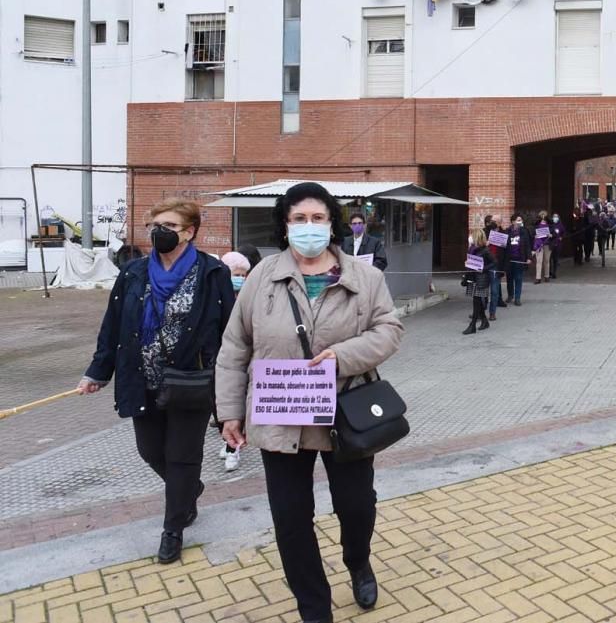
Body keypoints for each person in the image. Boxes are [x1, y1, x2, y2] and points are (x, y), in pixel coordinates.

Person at [216, 181, 404, 623]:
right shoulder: (262, 277)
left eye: (318, 218)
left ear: (332, 224)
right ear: (285, 225)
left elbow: (389, 330)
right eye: (299, 218)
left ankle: (357, 560)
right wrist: (229, 411)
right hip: (280, 413)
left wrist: (343, 356)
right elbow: (234, 346)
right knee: (291, 518)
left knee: (357, 506)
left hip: (345, 412)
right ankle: (313, 608)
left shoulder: (365, 277)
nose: (308, 227)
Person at [78, 199, 234, 565]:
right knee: (150, 451)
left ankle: (173, 529)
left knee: (182, 457)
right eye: (154, 225)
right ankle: (189, 490)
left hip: (192, 382)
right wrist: (98, 372)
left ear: (190, 231)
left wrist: (232, 384)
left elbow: (229, 329)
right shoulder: (133, 272)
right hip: (141, 379)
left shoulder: (212, 273)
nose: (158, 232)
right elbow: (113, 325)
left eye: (168, 225)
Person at [217, 250, 253, 471]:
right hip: (220, 362)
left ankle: (233, 450)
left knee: (239, 408)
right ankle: (227, 442)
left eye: (242, 274)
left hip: (243, 363)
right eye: (235, 273)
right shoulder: (216, 296)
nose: (239, 278)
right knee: (222, 408)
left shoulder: (248, 296)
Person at [463, 228, 494, 334]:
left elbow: (494, 262)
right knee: (477, 301)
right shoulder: (471, 248)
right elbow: (470, 262)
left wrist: (483, 268)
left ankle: (472, 325)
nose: (470, 237)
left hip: (481, 278)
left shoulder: (485, 250)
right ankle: (485, 321)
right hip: (472, 277)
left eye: (472, 235)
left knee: (476, 301)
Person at [505, 214, 533, 305]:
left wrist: (528, 257)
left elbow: (528, 245)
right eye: (518, 220)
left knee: (518, 278)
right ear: (513, 221)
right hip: (509, 259)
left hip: (519, 259)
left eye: (521, 220)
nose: (520, 222)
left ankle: (517, 298)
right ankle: (510, 295)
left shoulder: (524, 231)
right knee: (509, 279)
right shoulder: (507, 232)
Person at [484, 219, 507, 320]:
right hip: (485, 264)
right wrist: (485, 244)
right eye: (493, 221)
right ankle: (480, 311)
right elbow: (477, 246)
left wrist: (504, 268)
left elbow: (506, 252)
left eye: (496, 221)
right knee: (483, 290)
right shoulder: (485, 232)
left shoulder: (503, 234)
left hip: (496, 265)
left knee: (494, 290)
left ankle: (492, 312)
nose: (494, 223)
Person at [532, 211, 552, 284]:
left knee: (546, 260)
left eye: (544, 215)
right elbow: (533, 233)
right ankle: (538, 278)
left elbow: (554, 233)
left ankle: (547, 276)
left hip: (547, 244)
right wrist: (534, 236)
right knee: (539, 261)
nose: (543, 216)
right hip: (539, 244)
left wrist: (551, 235)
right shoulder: (536, 224)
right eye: (542, 215)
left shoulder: (550, 224)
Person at [548, 212, 565, 279]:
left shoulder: (560, 225)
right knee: (549, 259)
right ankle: (549, 272)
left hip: (557, 244)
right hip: (551, 244)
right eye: (554, 216)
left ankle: (554, 273)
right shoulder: (550, 225)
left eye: (556, 217)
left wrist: (561, 237)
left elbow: (563, 232)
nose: (555, 218)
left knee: (555, 259)